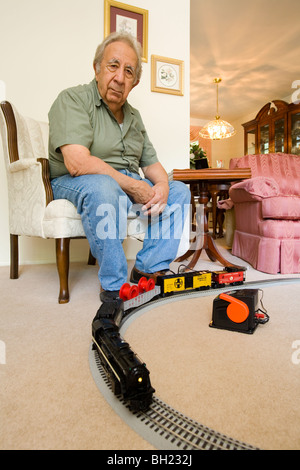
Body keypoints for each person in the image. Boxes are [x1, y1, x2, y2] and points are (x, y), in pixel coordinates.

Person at [48, 32, 191, 302]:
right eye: (113, 66)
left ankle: (148, 269)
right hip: (77, 181)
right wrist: (132, 185)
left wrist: (160, 185)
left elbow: (152, 165)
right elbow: (77, 162)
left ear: (134, 82)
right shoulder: (73, 99)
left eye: (129, 71)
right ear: (97, 68)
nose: (119, 77)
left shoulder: (134, 117)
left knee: (179, 191)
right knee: (105, 186)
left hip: (124, 186)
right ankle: (113, 285)